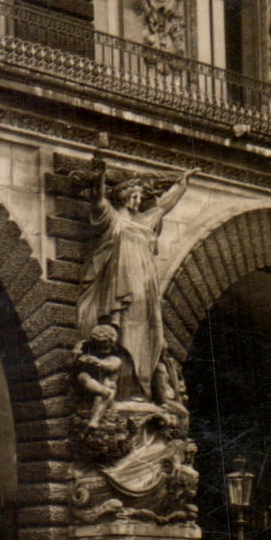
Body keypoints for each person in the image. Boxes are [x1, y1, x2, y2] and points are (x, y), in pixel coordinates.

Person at [76, 163, 197, 401]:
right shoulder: (113, 219)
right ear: (124, 196)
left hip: (145, 285)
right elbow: (98, 199)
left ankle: (142, 388)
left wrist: (182, 185)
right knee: (121, 329)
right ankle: (124, 390)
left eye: (140, 196)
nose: (138, 201)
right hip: (120, 285)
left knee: (148, 333)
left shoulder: (145, 221)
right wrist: (100, 176)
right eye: (134, 196)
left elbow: (164, 206)